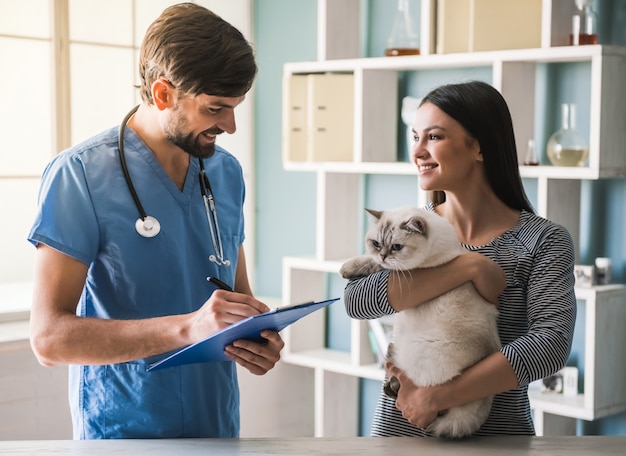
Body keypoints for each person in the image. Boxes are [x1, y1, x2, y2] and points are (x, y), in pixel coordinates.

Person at [27, 3, 284, 439]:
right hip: (123, 433)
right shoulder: (80, 175)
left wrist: (257, 341)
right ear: (163, 93)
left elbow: (237, 301)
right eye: (216, 109)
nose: (231, 126)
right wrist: (188, 328)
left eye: (236, 107)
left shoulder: (225, 173)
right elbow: (49, 339)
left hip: (216, 429)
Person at [344, 80, 576, 436]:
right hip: (400, 434)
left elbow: (550, 344)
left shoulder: (543, 240)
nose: (418, 151)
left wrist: (435, 398)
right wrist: (469, 266)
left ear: (479, 147)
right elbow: (357, 301)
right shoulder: (410, 231)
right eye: (415, 136)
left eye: (434, 137)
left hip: (498, 438)